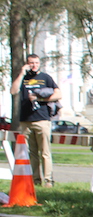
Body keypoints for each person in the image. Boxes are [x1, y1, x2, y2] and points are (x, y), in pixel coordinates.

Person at [12, 54, 61, 187]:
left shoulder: (45, 78)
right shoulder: (23, 78)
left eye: (36, 63)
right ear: (26, 64)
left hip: (42, 119)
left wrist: (40, 99)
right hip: (25, 120)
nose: (34, 65)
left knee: (45, 152)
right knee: (31, 153)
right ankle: (35, 180)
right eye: (31, 63)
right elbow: (13, 90)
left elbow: (58, 94)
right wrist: (22, 73)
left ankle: (48, 181)